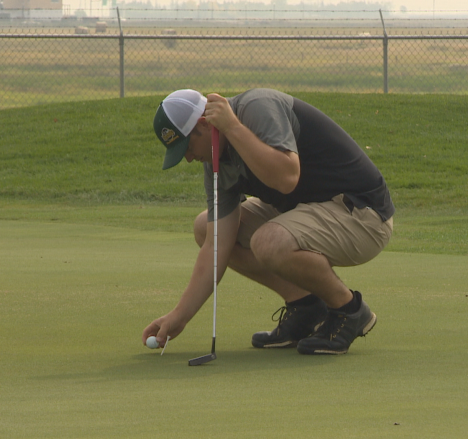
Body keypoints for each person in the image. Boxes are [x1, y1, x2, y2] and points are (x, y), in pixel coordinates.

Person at [142, 88, 394, 355]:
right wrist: (179, 316)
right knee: (206, 229)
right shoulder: (216, 163)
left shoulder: (257, 108)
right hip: (311, 209)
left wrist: (233, 129)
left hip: (362, 214)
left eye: (188, 147)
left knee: (269, 241)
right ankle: (306, 307)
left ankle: (348, 310)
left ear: (205, 124)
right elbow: (217, 246)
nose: (189, 158)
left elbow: (286, 178)